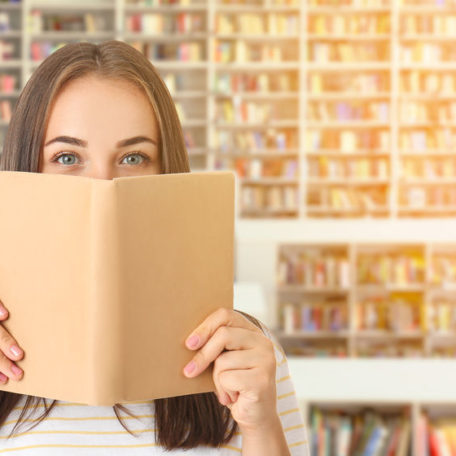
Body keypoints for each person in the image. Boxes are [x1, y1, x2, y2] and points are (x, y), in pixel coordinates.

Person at [0, 40, 309, 455]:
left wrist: (261, 426)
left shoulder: (243, 352)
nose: (103, 186)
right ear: (27, 168)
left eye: (133, 158)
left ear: (168, 172)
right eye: (67, 157)